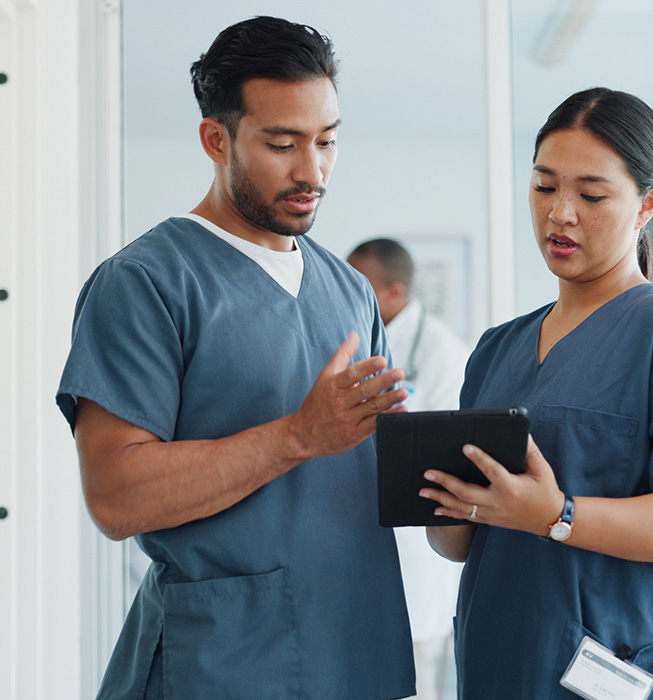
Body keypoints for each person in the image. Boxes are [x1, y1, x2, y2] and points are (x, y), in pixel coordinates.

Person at [55, 16, 415, 700]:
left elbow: (367, 469)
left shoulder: (349, 290)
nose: (312, 170)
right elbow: (115, 495)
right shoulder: (146, 283)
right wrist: (296, 437)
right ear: (215, 139)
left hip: (355, 652)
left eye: (327, 142)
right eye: (282, 144)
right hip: (222, 666)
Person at [423, 87, 653, 699]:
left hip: (613, 672)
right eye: (543, 186)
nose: (560, 213)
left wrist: (558, 516)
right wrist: (441, 496)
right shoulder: (496, 348)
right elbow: (458, 543)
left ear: (647, 204)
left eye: (591, 195)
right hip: (499, 662)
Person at [348, 239, 468, 700]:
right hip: (358, 537)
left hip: (416, 550)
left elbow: (438, 454)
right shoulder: (355, 337)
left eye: (363, 286)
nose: (350, 292)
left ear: (395, 292)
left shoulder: (443, 353)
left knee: (412, 683)